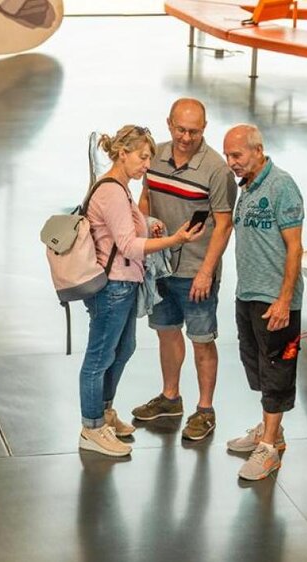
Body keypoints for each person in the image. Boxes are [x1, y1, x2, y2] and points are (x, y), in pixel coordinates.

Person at [78, 125, 206, 457]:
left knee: (123, 349)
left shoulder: (122, 189)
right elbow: (129, 246)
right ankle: (91, 427)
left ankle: (104, 413)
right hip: (113, 286)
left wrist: (150, 225)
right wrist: (175, 239)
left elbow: (127, 232)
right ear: (123, 153)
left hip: (124, 284)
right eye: (142, 156)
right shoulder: (111, 191)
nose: (146, 165)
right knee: (100, 357)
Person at [130, 98, 236, 442]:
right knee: (166, 331)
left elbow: (224, 224)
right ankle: (170, 398)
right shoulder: (154, 156)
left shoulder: (217, 170)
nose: (186, 137)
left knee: (202, 340)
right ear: (169, 124)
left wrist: (207, 271)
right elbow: (146, 197)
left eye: (194, 131)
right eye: (180, 129)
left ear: (204, 129)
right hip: (160, 267)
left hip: (195, 271)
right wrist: (145, 225)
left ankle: (205, 410)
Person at [221, 124, 304, 481]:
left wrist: (285, 299)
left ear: (258, 150)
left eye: (236, 155)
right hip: (248, 294)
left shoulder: (281, 185)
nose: (231, 163)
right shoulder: (248, 186)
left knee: (276, 370)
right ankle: (271, 429)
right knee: (255, 366)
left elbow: (295, 247)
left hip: (275, 300)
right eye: (227, 156)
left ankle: (269, 447)